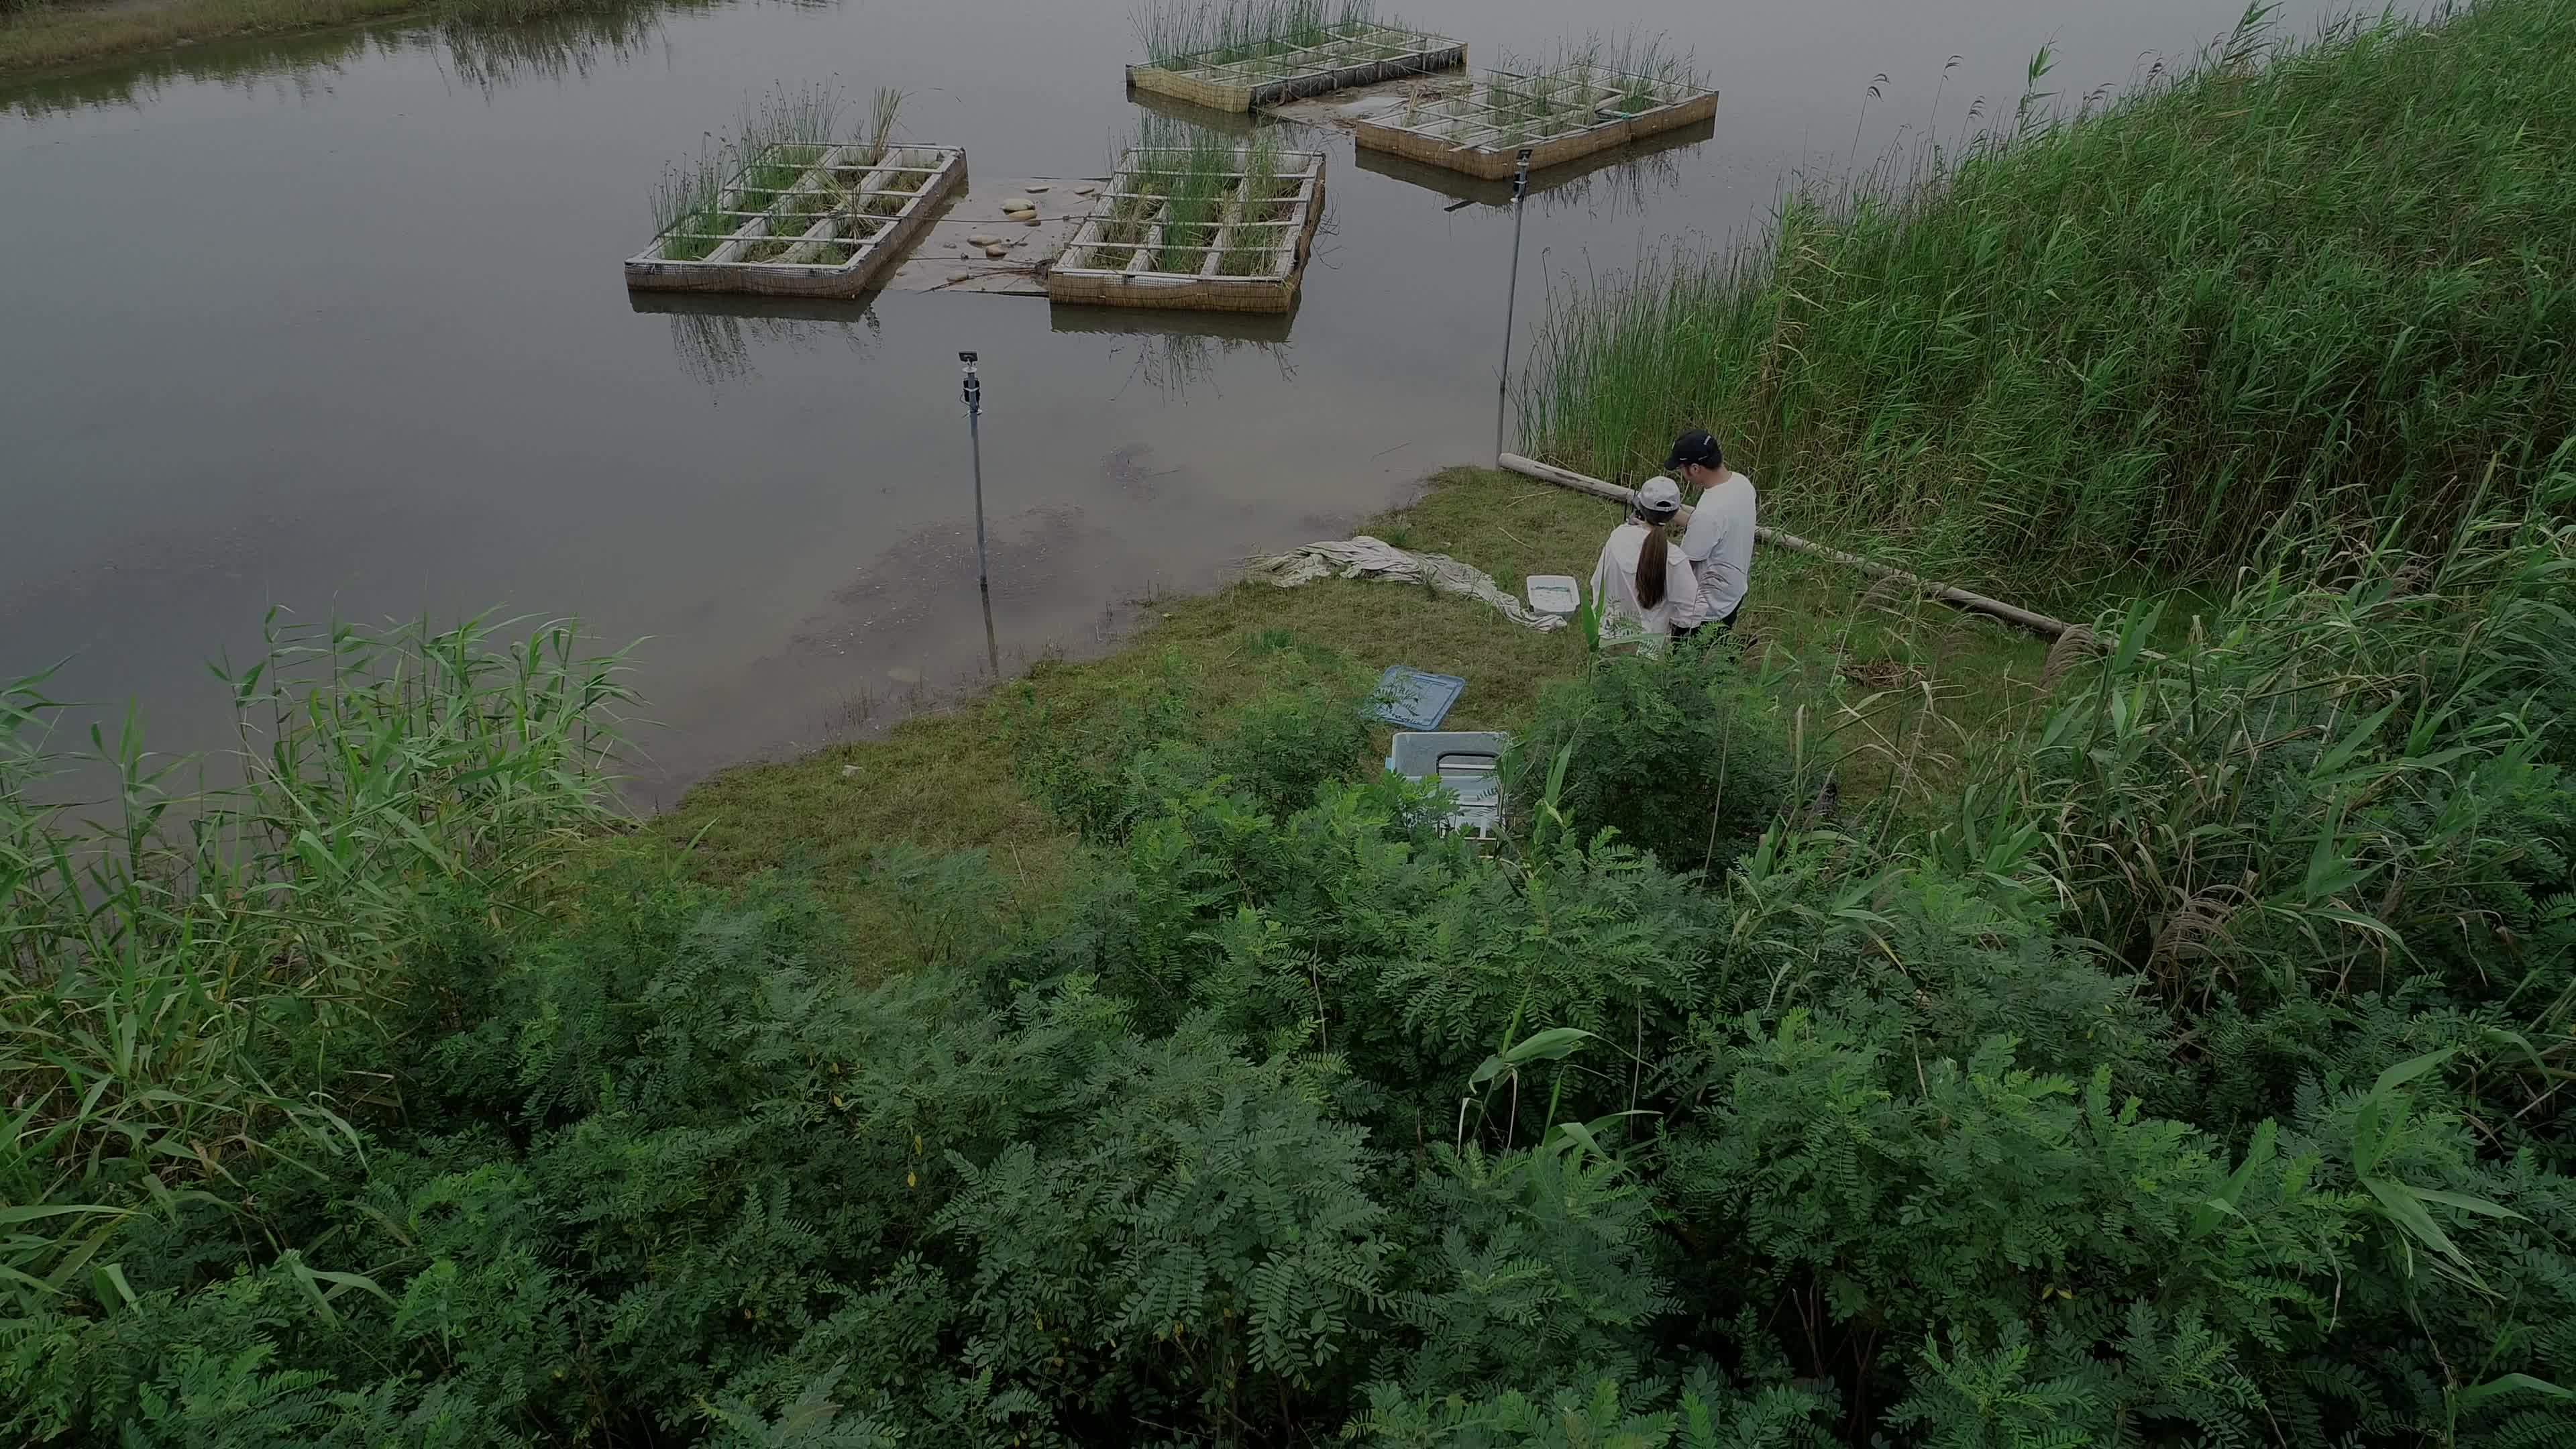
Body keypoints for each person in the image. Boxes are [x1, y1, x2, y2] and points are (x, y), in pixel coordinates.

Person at [1588, 476, 1701, 653]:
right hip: (1648, 649)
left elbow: (1597, 582)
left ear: (1640, 507)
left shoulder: (1618, 536)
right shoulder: (1675, 558)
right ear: (1674, 514)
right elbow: (1694, 611)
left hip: (1609, 636)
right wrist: (1670, 621)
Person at [1667, 429, 1757, 634]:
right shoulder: (1742, 484)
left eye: (1681, 468)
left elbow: (1685, 566)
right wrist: (1674, 513)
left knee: (1684, 662)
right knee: (1719, 649)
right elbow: (1719, 529)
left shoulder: (1709, 512)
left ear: (1696, 468)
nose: (1682, 475)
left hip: (1706, 608)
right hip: (1733, 593)